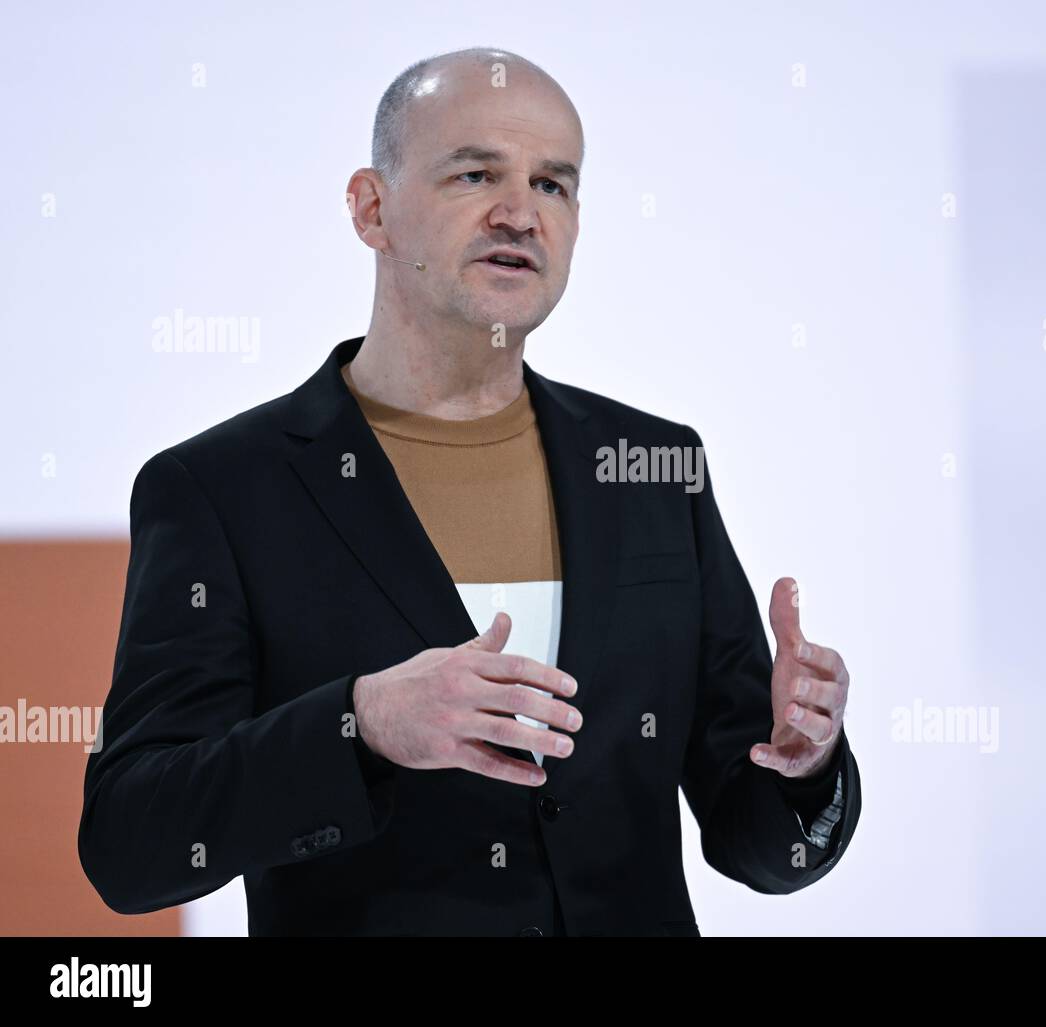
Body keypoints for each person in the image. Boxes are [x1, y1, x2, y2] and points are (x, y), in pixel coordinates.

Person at [78, 47, 861, 936]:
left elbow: (756, 842)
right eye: (476, 172)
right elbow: (130, 842)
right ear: (371, 209)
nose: (521, 213)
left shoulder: (655, 464)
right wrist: (358, 722)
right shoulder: (223, 488)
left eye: (554, 185)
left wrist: (804, 764)